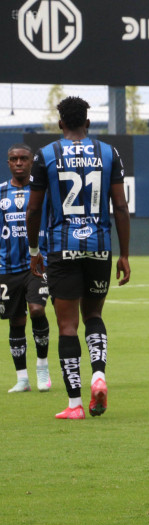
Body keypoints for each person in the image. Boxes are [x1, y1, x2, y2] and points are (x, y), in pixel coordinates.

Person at [26, 96, 131, 420]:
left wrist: (34, 251)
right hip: (99, 246)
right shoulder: (109, 153)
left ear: (60, 123)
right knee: (94, 315)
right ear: (88, 122)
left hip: (62, 247)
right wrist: (125, 254)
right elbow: (120, 206)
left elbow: (34, 209)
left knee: (67, 325)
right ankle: (98, 375)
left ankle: (74, 405)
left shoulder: (46, 155)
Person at [2, 144, 51, 393]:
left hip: (38, 263)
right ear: (8, 163)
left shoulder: (43, 190)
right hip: (7, 266)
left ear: (32, 162)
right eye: (14, 159)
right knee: (16, 319)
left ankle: (42, 366)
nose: (19, 162)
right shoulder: (1, 192)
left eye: (23, 158)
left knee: (36, 310)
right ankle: (22, 378)